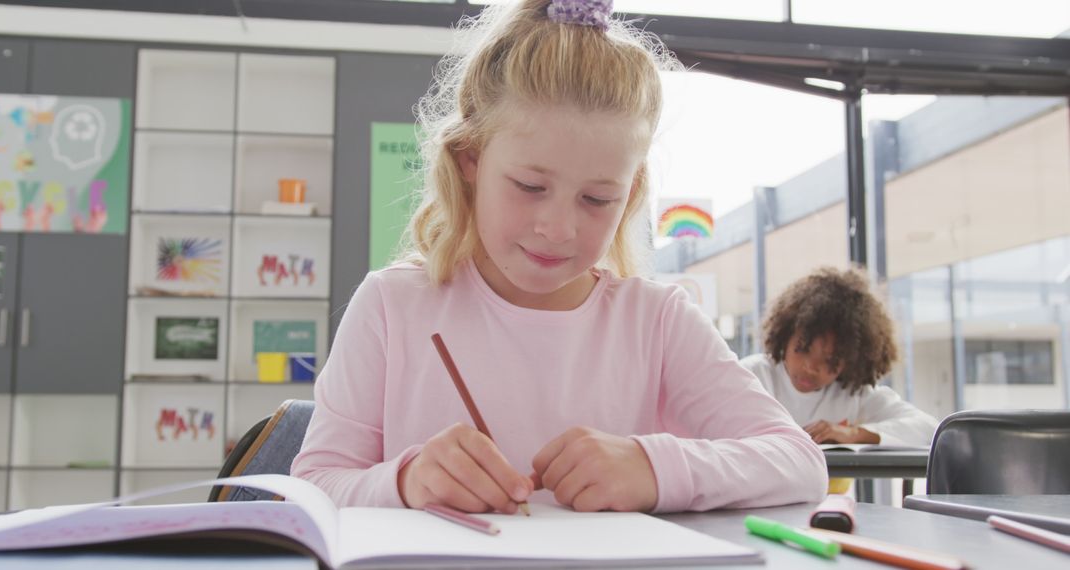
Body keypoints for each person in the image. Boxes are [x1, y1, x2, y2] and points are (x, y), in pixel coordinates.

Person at [291, 0, 827, 515]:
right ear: (469, 159)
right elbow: (314, 484)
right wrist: (406, 480)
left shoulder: (657, 320)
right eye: (529, 186)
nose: (558, 229)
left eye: (597, 200)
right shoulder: (392, 305)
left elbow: (799, 461)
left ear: (631, 192)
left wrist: (653, 467)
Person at [741, 267, 939, 447]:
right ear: (784, 337)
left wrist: (854, 434)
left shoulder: (853, 396)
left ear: (850, 361)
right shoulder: (752, 376)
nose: (811, 367)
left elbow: (929, 429)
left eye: (830, 361)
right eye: (803, 349)